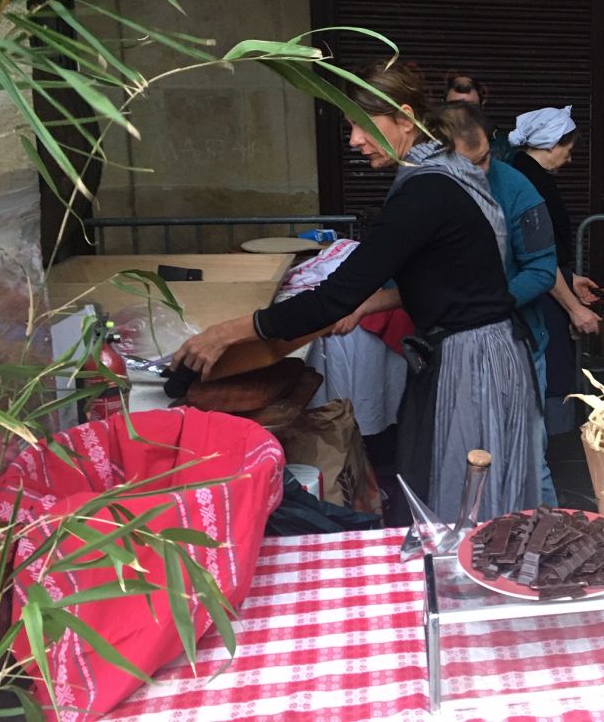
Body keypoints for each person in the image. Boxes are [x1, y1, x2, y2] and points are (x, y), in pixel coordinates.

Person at [173, 59, 540, 524]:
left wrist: (230, 332)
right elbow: (448, 276)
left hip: (473, 363)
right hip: (481, 350)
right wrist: (370, 303)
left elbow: (334, 296)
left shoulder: (425, 191)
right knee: (456, 494)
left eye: (362, 127)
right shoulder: (446, 170)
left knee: (467, 511)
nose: (354, 141)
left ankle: (466, 588)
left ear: (404, 119)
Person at [439, 100, 560, 505]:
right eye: (466, 164)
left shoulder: (518, 190)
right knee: (462, 457)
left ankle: (549, 545)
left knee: (528, 457)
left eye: (485, 160)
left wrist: (490, 304)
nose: (479, 172)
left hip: (517, 341)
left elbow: (543, 269)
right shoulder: (429, 186)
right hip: (451, 348)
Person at [508, 106, 602, 433]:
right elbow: (537, 259)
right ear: (550, 144)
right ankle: (549, 447)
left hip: (551, 283)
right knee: (551, 368)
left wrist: (570, 277)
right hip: (538, 295)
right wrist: (576, 309)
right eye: (568, 149)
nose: (570, 158)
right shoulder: (527, 183)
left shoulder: (526, 174)